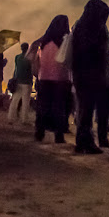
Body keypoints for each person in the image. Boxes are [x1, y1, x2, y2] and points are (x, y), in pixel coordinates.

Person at [70, 0, 109, 154]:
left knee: (83, 108)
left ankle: (82, 142)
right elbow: (101, 53)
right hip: (93, 73)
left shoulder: (79, 27)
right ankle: (86, 142)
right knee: (88, 109)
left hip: (79, 72)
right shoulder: (97, 30)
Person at [32, 15, 72, 144]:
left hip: (43, 78)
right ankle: (59, 136)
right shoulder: (65, 41)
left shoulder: (43, 42)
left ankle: (39, 133)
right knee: (59, 108)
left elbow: (35, 58)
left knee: (43, 107)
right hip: (61, 79)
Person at [8, 43, 33, 125]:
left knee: (15, 100)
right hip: (27, 81)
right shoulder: (30, 58)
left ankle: (11, 118)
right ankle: (24, 119)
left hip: (18, 81)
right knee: (25, 102)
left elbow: (16, 68)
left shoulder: (17, 57)